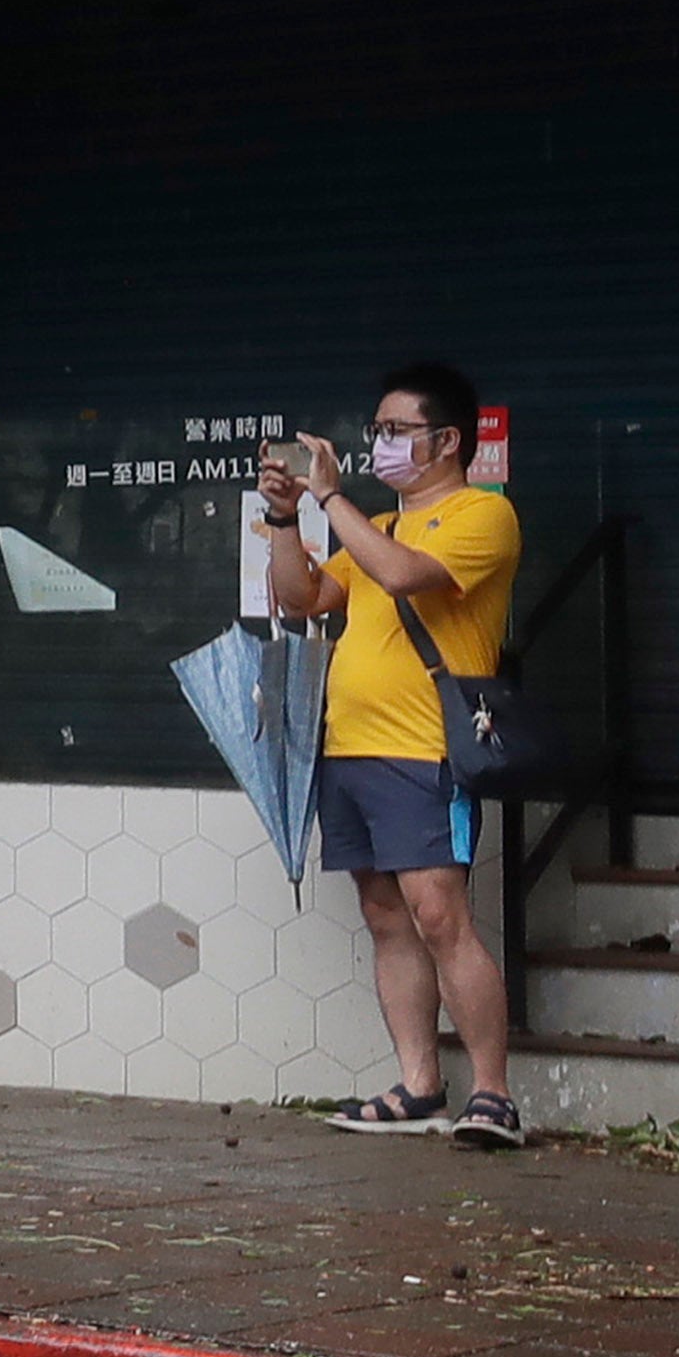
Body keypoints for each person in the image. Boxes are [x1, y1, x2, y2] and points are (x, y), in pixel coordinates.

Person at [251, 365, 527, 1146]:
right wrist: (283, 517)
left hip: (425, 751)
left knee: (441, 915)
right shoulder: (380, 526)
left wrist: (330, 499)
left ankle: (495, 1094)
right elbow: (305, 597)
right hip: (350, 748)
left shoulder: (481, 516)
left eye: (396, 431)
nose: (380, 444)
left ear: (447, 441)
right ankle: (419, 1084)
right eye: (376, 431)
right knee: (386, 916)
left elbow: (404, 576)